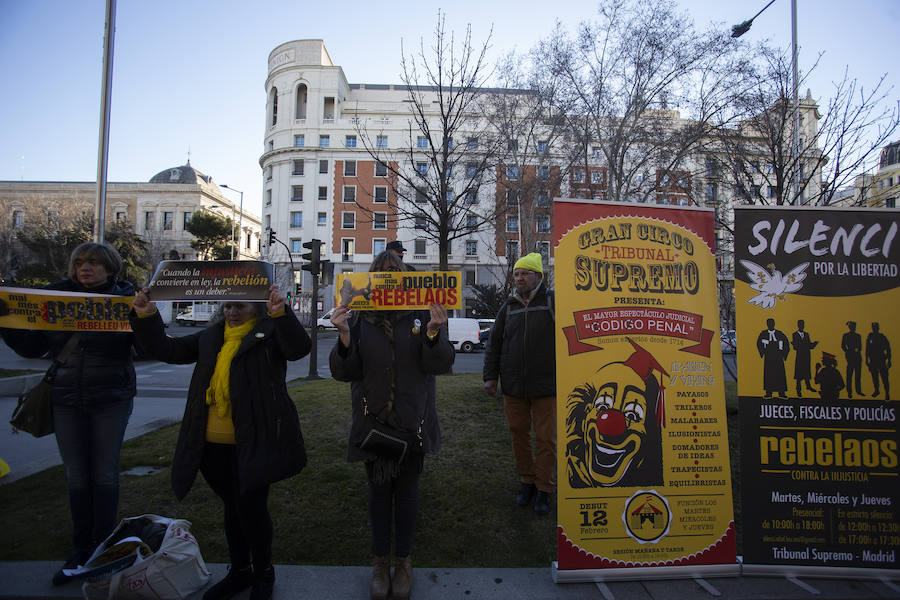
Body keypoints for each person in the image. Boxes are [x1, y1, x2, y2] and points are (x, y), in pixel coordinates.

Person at [130, 285, 310, 600]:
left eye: (239, 306)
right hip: (211, 444)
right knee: (232, 507)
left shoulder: (268, 335)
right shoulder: (211, 337)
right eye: (227, 306)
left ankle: (263, 572)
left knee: (252, 509)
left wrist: (281, 312)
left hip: (255, 441)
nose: (231, 312)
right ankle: (240, 571)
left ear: (256, 308)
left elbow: (298, 348)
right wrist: (146, 316)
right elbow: (168, 350)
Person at [0, 242, 137, 585]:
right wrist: (6, 321)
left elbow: (145, 345)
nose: (85, 268)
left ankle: (102, 545)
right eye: (80, 263)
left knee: (104, 474)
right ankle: (80, 546)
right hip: (65, 397)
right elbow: (34, 348)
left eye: (93, 263)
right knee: (77, 476)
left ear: (110, 268)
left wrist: (142, 317)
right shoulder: (52, 297)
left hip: (111, 396)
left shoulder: (127, 299)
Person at [329, 251, 452, 600]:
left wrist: (432, 333)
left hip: (413, 422)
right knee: (379, 494)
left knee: (408, 494)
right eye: (380, 274)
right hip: (374, 423)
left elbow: (441, 364)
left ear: (404, 279)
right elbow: (344, 372)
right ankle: (381, 562)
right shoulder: (361, 319)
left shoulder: (419, 314)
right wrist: (343, 336)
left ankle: (404, 562)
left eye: (393, 274)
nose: (387, 279)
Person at [482, 252, 557, 516]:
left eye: (524, 273)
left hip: (546, 387)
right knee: (518, 436)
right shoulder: (509, 307)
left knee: (547, 440)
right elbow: (494, 344)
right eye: (516, 274)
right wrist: (490, 377)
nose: (519, 278)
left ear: (538, 276)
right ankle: (527, 482)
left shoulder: (552, 302)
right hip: (513, 387)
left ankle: (545, 488)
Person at [756, 318, 790, 398]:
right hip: (769, 357)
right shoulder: (763, 333)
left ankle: (781, 393)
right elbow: (759, 343)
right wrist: (763, 351)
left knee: (780, 375)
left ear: (774, 324)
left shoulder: (779, 334)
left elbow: (786, 344)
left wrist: (783, 354)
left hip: (778, 357)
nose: (770, 325)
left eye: (772, 323)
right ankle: (769, 392)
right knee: (769, 375)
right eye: (769, 323)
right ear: (767, 324)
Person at [791, 319, 818, 397]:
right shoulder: (795, 334)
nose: (802, 326)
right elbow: (795, 346)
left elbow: (809, 345)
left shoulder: (806, 334)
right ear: (798, 325)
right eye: (800, 324)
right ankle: (798, 389)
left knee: (806, 371)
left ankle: (808, 386)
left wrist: (814, 344)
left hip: (806, 355)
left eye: (803, 324)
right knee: (799, 373)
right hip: (800, 356)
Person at [865, 322, 891, 400]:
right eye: (873, 327)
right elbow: (867, 348)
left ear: (878, 328)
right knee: (875, 376)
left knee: (884, 378)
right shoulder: (870, 336)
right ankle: (877, 390)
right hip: (873, 360)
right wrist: (867, 359)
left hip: (881, 359)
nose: (874, 328)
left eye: (875, 327)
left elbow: (888, 349)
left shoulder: (882, 337)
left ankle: (887, 393)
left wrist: (889, 360)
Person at [841, 321, 863, 398]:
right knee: (849, 375)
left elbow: (860, 347)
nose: (853, 328)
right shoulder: (846, 335)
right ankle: (849, 392)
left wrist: (857, 350)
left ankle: (858, 390)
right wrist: (848, 352)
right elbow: (843, 346)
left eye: (854, 327)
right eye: (852, 326)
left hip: (857, 357)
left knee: (858, 375)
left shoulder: (858, 336)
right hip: (850, 357)